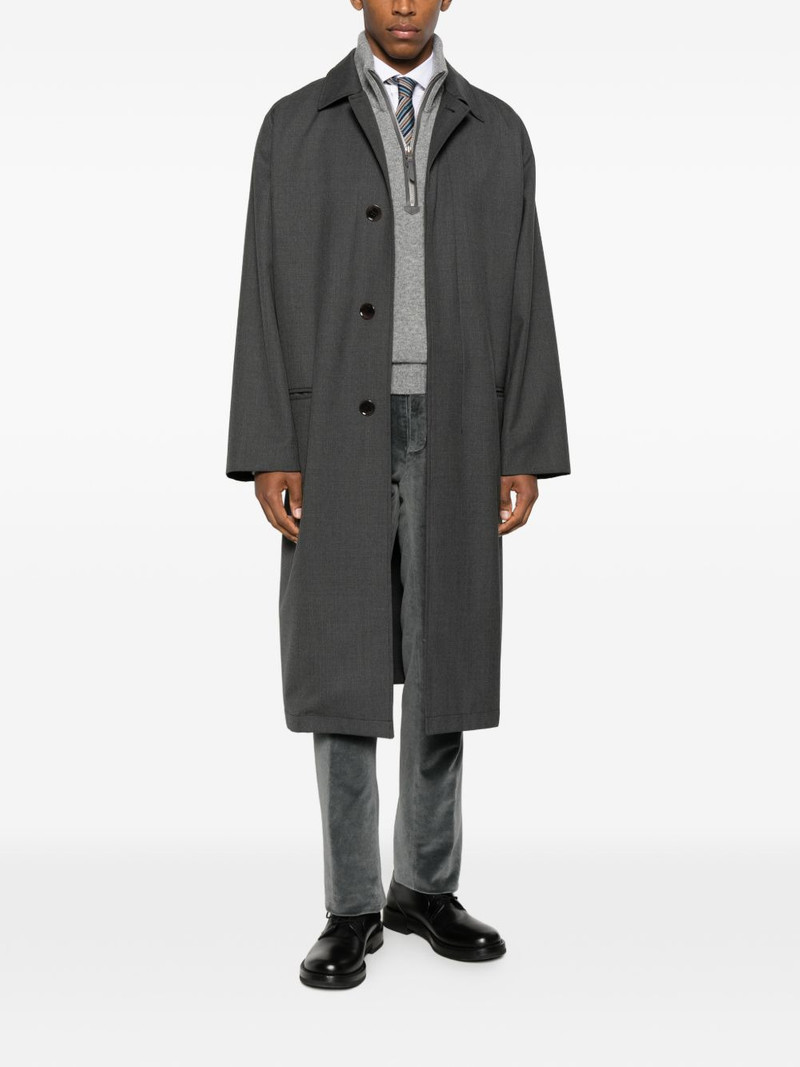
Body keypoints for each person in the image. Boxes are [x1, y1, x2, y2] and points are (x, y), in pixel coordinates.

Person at [225, 0, 570, 990]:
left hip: (461, 423)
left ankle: (424, 884)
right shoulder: (296, 123)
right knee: (340, 658)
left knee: (443, 654)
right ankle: (349, 904)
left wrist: (523, 444)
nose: (405, 4)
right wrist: (270, 445)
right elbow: (262, 287)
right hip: (333, 425)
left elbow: (525, 287)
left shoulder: (494, 128)